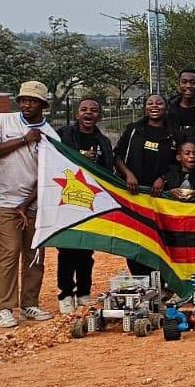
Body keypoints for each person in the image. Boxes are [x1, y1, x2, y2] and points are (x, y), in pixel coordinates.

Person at [0, 81, 60, 328]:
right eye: (23, 100)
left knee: (35, 254)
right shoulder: (2, 121)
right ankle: (4, 308)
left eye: (33, 101)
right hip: (3, 200)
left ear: (43, 105)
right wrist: (24, 140)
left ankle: (29, 304)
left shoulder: (52, 135)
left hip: (34, 203)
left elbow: (49, 176)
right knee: (9, 251)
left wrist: (26, 204)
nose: (27, 104)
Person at [54, 97, 114, 313]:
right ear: (77, 113)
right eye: (84, 109)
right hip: (66, 199)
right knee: (67, 249)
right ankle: (65, 294)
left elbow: (108, 171)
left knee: (86, 250)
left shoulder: (103, 141)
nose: (88, 113)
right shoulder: (62, 135)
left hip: (91, 202)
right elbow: (53, 160)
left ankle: (84, 292)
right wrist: (81, 157)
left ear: (100, 115)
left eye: (94, 110)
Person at [114, 94, 176, 276]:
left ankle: (160, 280)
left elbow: (178, 163)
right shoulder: (133, 130)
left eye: (159, 103)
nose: (154, 106)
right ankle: (139, 278)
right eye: (150, 103)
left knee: (159, 239)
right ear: (145, 108)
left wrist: (164, 178)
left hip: (160, 198)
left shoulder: (173, 134)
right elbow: (117, 156)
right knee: (135, 238)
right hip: (134, 195)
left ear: (166, 108)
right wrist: (128, 174)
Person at [168, 69, 195, 136]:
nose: (188, 86)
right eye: (184, 82)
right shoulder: (168, 109)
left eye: (193, 82)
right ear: (179, 85)